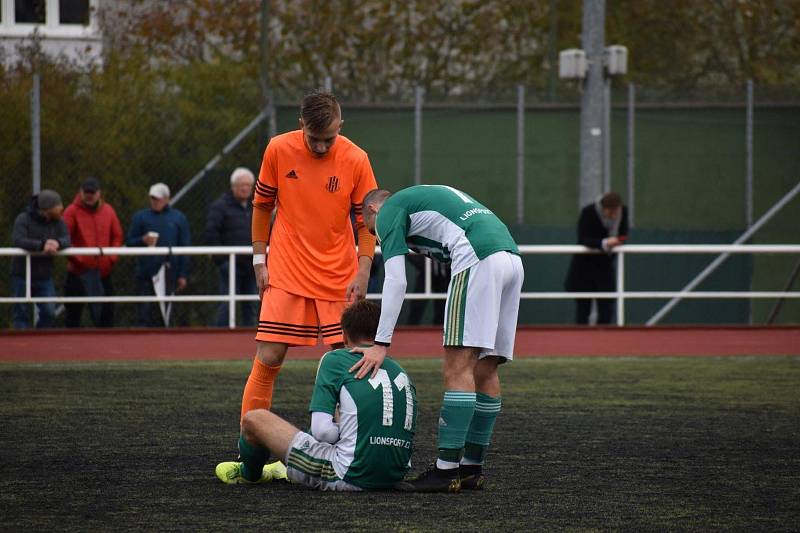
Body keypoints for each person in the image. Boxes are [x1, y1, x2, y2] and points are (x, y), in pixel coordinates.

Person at [352, 185, 524, 492]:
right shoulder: (422, 199)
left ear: (374, 211)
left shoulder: (389, 210)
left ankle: (445, 472)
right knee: (486, 368)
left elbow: (396, 279)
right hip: (511, 257)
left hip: (477, 258)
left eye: (370, 230)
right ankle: (471, 468)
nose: (376, 236)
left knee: (457, 367)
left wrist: (381, 343)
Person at [232, 90, 378, 439]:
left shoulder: (357, 159)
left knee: (351, 360)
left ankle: (352, 448)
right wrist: (258, 258)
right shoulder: (278, 149)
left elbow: (366, 222)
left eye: (330, 138)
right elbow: (262, 205)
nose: (323, 147)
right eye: (315, 139)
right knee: (268, 356)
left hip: (338, 275)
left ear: (341, 125)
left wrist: (364, 268)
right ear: (301, 126)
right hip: (286, 269)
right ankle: (249, 449)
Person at [215, 299, 417, 490]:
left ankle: (250, 474)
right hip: (394, 475)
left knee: (254, 419)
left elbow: (321, 432)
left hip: (350, 474)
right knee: (342, 413)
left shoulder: (334, 360)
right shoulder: (400, 371)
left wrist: (346, 432)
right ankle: (286, 467)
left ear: (344, 335)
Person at [125, 182, 191, 327]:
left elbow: (185, 247)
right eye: (153, 198)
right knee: (144, 312)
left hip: (170, 273)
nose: (155, 202)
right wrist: (142, 240)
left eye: (158, 199)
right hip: (146, 272)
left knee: (169, 314)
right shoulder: (140, 217)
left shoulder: (178, 218)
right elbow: (129, 242)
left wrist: (182, 275)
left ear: (167, 199)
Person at [62, 177, 124, 327]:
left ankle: (106, 347)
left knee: (106, 315)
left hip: (103, 273)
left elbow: (117, 236)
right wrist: (80, 260)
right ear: (81, 192)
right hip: (78, 273)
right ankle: (71, 347)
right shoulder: (71, 211)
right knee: (73, 315)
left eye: (93, 192)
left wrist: (111, 258)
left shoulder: (108, 210)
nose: (89, 195)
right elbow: (64, 239)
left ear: (99, 193)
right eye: (86, 192)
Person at [564, 191, 629, 325]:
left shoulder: (623, 212)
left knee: (606, 309)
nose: (614, 216)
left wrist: (617, 241)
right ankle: (581, 342)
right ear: (603, 208)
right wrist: (604, 243)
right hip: (584, 269)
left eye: (616, 212)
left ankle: (604, 342)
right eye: (611, 213)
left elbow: (623, 235)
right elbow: (583, 239)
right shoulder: (588, 212)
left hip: (605, 269)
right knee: (583, 310)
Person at [205, 167, 258, 327]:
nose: (245, 188)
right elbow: (211, 233)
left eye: (248, 185)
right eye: (241, 185)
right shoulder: (220, 207)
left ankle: (251, 339)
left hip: (252, 265)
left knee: (252, 304)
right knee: (226, 304)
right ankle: (219, 341)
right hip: (230, 265)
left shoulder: (257, 207)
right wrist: (222, 261)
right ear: (233, 186)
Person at [11, 190, 71, 329]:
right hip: (22, 274)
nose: (62, 207)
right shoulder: (23, 219)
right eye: (58, 205)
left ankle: (38, 339)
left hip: (44, 275)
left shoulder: (58, 222)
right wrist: (41, 245)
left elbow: (67, 238)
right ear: (47, 208)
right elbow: (19, 240)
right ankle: (22, 343)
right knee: (20, 312)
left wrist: (58, 243)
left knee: (50, 312)